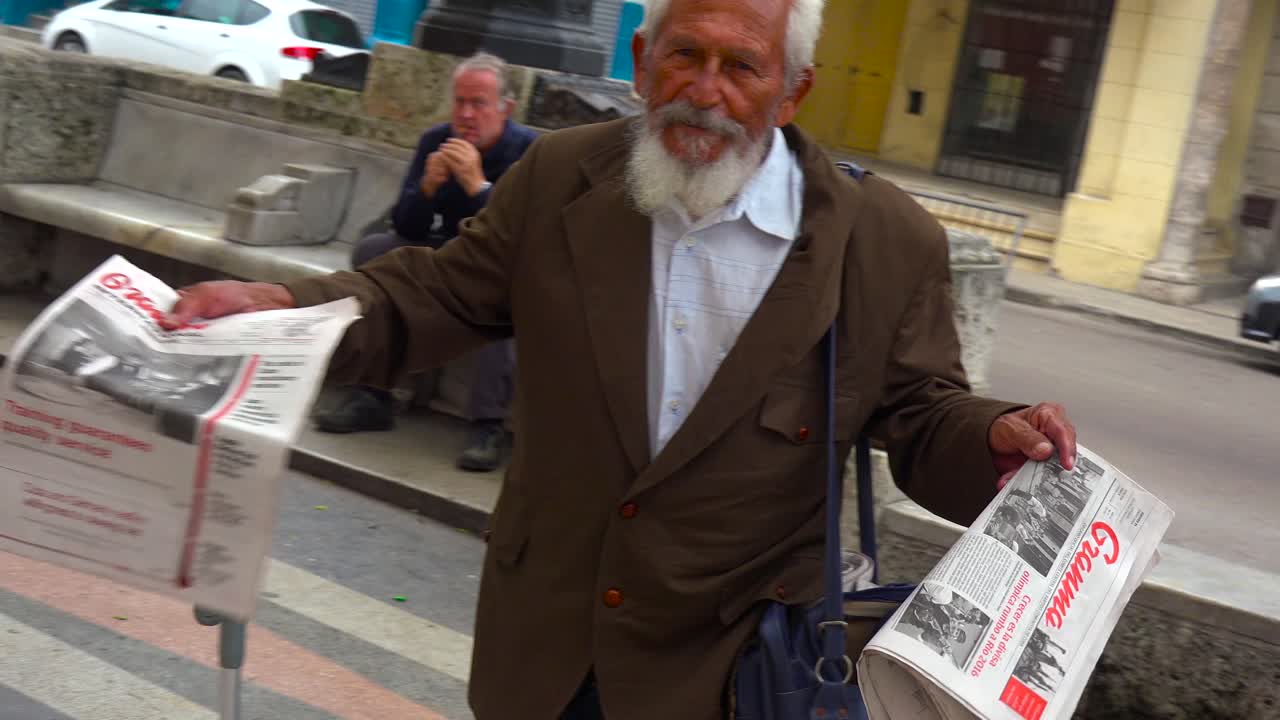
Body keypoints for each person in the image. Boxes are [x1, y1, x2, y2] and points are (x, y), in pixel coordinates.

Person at [163, 0, 1079, 716]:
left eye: (741, 67)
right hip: (546, 649)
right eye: (685, 55)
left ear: (792, 91)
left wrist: (991, 438)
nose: (705, 90)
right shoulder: (563, 177)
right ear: (642, 63)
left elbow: (920, 409)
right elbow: (434, 294)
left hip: (732, 672)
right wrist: (285, 306)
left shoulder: (882, 241)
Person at [314, 51, 537, 473]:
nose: (466, 114)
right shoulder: (436, 140)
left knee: (511, 301)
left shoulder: (530, 152)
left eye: (479, 104)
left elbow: (522, 236)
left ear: (505, 108)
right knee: (373, 252)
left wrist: (478, 186)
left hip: (497, 266)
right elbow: (407, 226)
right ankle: (372, 394)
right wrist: (427, 189)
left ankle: (487, 425)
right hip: (443, 254)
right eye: (459, 102)